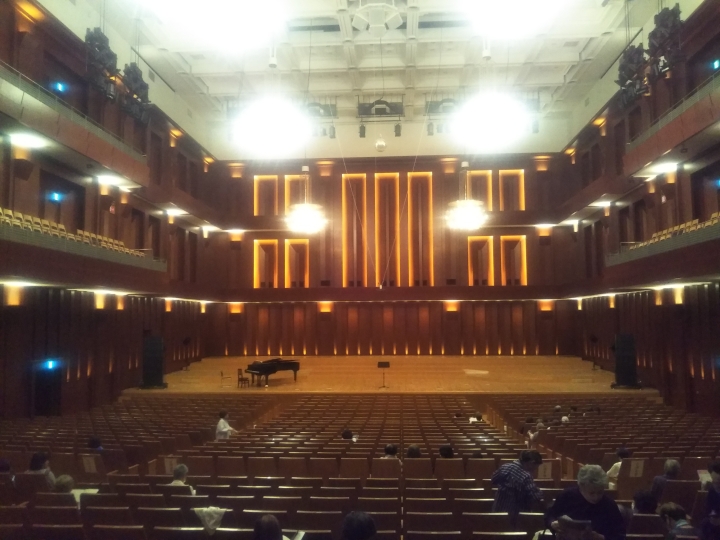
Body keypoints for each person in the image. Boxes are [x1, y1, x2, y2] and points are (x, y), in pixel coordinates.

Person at [546, 464, 626, 540]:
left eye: (600, 492)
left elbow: (620, 535)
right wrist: (552, 523)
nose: (596, 497)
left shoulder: (609, 505)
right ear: (581, 487)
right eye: (592, 493)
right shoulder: (567, 496)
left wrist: (601, 538)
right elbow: (550, 515)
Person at [491, 450, 544, 525]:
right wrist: (541, 493)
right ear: (531, 463)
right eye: (536, 467)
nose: (535, 470)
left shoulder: (505, 467)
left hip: (498, 508)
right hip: (515, 514)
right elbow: (535, 496)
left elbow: (493, 480)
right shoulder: (526, 476)